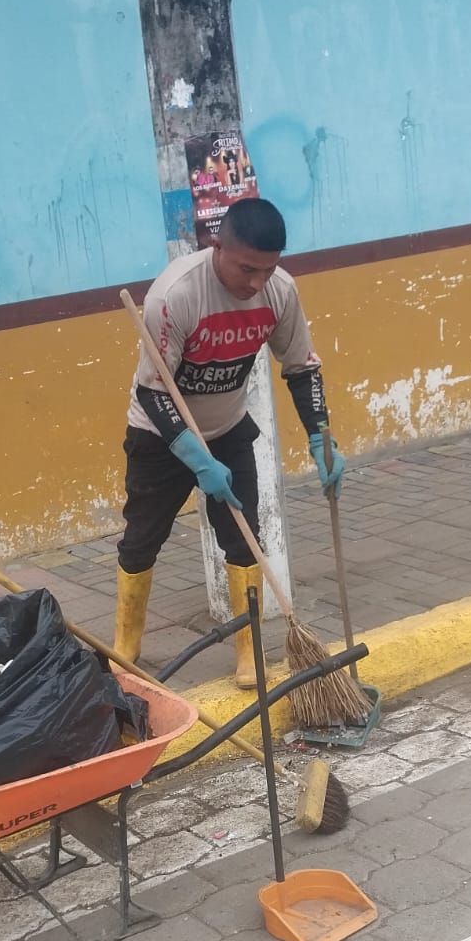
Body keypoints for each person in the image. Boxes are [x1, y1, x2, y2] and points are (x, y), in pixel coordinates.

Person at [115, 197, 346, 687]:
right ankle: (126, 646)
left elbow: (302, 368)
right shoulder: (174, 296)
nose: (257, 283)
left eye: (268, 269)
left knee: (244, 540)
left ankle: (249, 652)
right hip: (160, 436)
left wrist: (320, 436)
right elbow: (152, 392)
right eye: (246, 269)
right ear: (217, 247)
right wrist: (196, 459)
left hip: (228, 429)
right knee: (141, 541)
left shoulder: (280, 292)